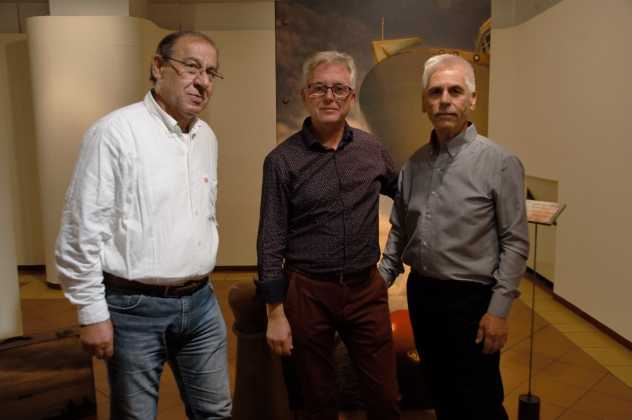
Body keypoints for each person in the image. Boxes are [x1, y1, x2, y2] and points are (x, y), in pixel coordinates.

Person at [55, 31, 231, 419]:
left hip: (201, 303)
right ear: (158, 67)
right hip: (133, 308)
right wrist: (91, 312)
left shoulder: (206, 138)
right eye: (191, 67)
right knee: (135, 416)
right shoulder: (115, 133)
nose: (202, 81)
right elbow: (81, 229)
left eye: (211, 72)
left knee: (215, 412)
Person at [379, 54, 529, 420]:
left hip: (472, 302)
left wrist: (498, 311)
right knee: (440, 392)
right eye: (435, 92)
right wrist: (377, 284)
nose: (444, 100)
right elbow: (400, 231)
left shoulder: (500, 163)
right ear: (424, 103)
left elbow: (515, 242)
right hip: (423, 295)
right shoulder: (413, 165)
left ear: (472, 100)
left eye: (455, 91)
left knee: (480, 400)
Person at [256, 50, 400, 420]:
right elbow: (270, 238)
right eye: (319, 88)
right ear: (304, 95)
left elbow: (408, 199)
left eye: (339, 89)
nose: (329, 97)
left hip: (365, 289)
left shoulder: (373, 150)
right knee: (317, 397)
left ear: (351, 96)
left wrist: (392, 263)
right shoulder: (281, 161)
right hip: (308, 292)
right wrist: (275, 312)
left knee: (385, 396)